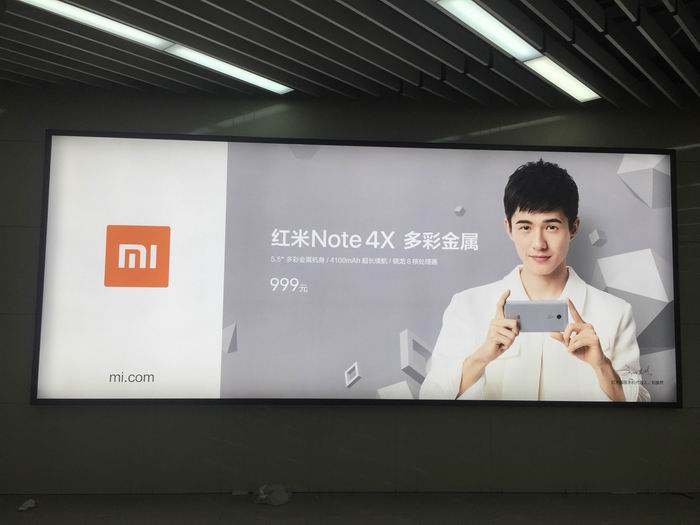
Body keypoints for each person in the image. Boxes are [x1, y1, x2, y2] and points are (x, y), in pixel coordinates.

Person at [420, 159, 650, 402]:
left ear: (573, 228)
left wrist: (602, 366)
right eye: (525, 227)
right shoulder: (468, 305)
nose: (539, 244)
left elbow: (642, 407)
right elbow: (430, 397)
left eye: (551, 227)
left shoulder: (615, 312)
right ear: (508, 228)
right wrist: (482, 356)